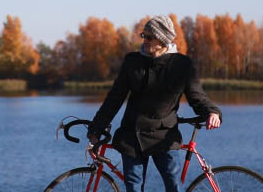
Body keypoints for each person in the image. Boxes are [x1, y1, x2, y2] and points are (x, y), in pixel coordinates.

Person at [87, 15, 222, 192]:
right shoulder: (132, 62)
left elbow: (197, 97)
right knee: (134, 189)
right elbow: (114, 99)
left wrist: (212, 112)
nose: (145, 40)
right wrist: (96, 129)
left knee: (173, 187)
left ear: (163, 38)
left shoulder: (182, 65)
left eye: (150, 37)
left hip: (164, 136)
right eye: (143, 35)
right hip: (132, 137)